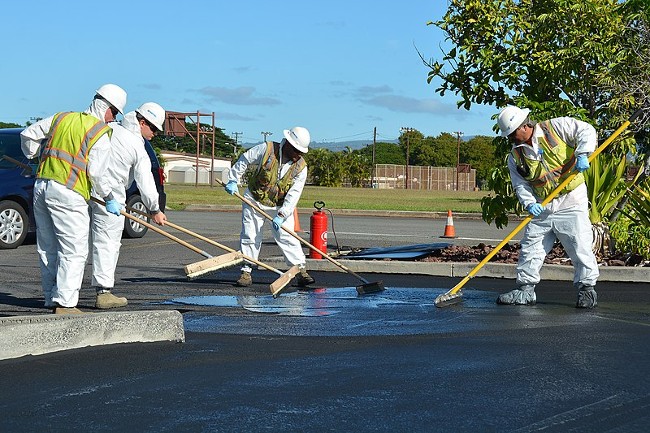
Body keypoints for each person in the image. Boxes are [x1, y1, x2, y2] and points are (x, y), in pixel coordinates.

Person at [20, 84, 127, 314]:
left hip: (41, 186)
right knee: (74, 250)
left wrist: (33, 156)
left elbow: (28, 135)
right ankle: (66, 303)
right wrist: (109, 197)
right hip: (68, 193)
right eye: (115, 113)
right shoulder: (99, 132)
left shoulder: (62, 117)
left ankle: (51, 297)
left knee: (48, 247)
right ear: (106, 106)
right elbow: (97, 174)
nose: (113, 119)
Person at [495, 105, 599, 308]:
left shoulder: (556, 127)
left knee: (579, 245)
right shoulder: (515, 156)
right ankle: (525, 290)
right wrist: (530, 203)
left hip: (571, 199)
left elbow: (586, 130)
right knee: (531, 247)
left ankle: (587, 290)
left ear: (524, 126)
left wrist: (583, 153)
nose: (510, 138)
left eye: (512, 133)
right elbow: (520, 184)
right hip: (543, 205)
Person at [89, 102, 168, 309]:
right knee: (108, 242)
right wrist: (155, 210)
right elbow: (146, 181)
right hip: (111, 194)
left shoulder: (110, 128)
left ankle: (59, 293)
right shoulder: (135, 144)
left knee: (75, 243)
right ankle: (103, 292)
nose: (154, 134)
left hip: (86, 188)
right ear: (142, 122)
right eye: (153, 128)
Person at [225, 126, 315, 287]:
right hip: (254, 198)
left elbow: (294, 194)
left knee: (287, 236)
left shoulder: (301, 167)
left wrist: (282, 215)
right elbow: (245, 159)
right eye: (296, 151)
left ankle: (300, 270)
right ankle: (246, 271)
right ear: (288, 143)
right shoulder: (267, 149)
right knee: (250, 234)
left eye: (301, 152)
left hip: (279, 205)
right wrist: (233, 179)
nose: (298, 155)